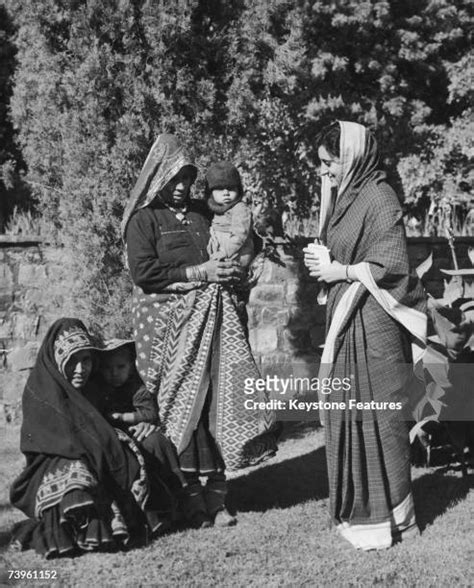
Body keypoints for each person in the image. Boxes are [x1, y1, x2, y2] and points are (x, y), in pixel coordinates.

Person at [122, 134, 278, 529]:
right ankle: (189, 498)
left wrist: (239, 267)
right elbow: (145, 274)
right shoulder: (144, 221)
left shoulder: (201, 212)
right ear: (157, 178)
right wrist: (200, 274)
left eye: (188, 179)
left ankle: (218, 496)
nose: (181, 187)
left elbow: (240, 240)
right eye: (174, 179)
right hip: (170, 332)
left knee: (215, 403)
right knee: (179, 409)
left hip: (216, 325)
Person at [304, 121, 427, 550]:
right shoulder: (345, 197)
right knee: (346, 412)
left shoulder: (379, 196)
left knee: (381, 417)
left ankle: (395, 518)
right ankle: (359, 513)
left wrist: (340, 270)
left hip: (374, 322)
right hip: (345, 318)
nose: (324, 172)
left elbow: (392, 265)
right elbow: (345, 253)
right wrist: (325, 262)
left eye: (328, 163)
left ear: (352, 157)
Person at [9, 318, 175, 557]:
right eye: (72, 361)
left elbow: (108, 425)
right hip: (53, 462)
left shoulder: (94, 387)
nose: (80, 369)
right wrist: (95, 445)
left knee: (100, 464)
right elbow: (47, 442)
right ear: (58, 359)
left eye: (86, 360)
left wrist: (144, 426)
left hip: (96, 455)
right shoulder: (40, 391)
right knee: (76, 475)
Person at [205, 161, 254, 268]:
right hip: (219, 248)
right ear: (211, 192)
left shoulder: (240, 208)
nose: (226, 193)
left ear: (238, 190)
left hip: (237, 252)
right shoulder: (216, 207)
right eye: (220, 189)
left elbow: (240, 234)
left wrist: (225, 251)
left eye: (231, 188)